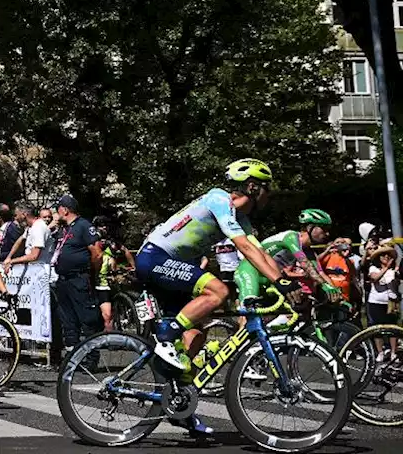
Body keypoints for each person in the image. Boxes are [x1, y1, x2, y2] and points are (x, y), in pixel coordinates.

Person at [134, 158, 292, 436]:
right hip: (155, 257)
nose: (270, 194)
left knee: (195, 332)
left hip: (168, 263)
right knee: (218, 291)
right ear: (252, 187)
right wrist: (278, 280)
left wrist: (283, 281)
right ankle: (167, 337)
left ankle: (180, 404)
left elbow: (259, 253)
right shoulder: (219, 199)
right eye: (267, 188)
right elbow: (243, 246)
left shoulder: (240, 218)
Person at [233, 208, 341, 305]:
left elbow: (320, 273)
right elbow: (304, 263)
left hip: (269, 278)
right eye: (324, 229)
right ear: (309, 227)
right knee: (249, 313)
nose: (327, 234)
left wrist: (336, 292)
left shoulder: (308, 250)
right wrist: (324, 285)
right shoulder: (291, 237)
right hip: (249, 271)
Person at [49, 195, 103, 353]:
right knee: (68, 321)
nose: (56, 213)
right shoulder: (64, 228)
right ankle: (72, 358)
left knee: (87, 320)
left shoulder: (84, 226)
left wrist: (91, 273)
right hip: (63, 281)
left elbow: (97, 254)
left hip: (79, 278)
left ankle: (91, 358)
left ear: (65, 210)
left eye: (58, 209)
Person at [93, 215, 134, 331]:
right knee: (106, 314)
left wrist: (133, 267)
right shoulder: (93, 240)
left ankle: (111, 336)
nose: (104, 228)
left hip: (111, 280)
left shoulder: (112, 241)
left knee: (109, 314)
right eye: (101, 226)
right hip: (99, 281)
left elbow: (125, 250)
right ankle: (107, 336)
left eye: (106, 225)